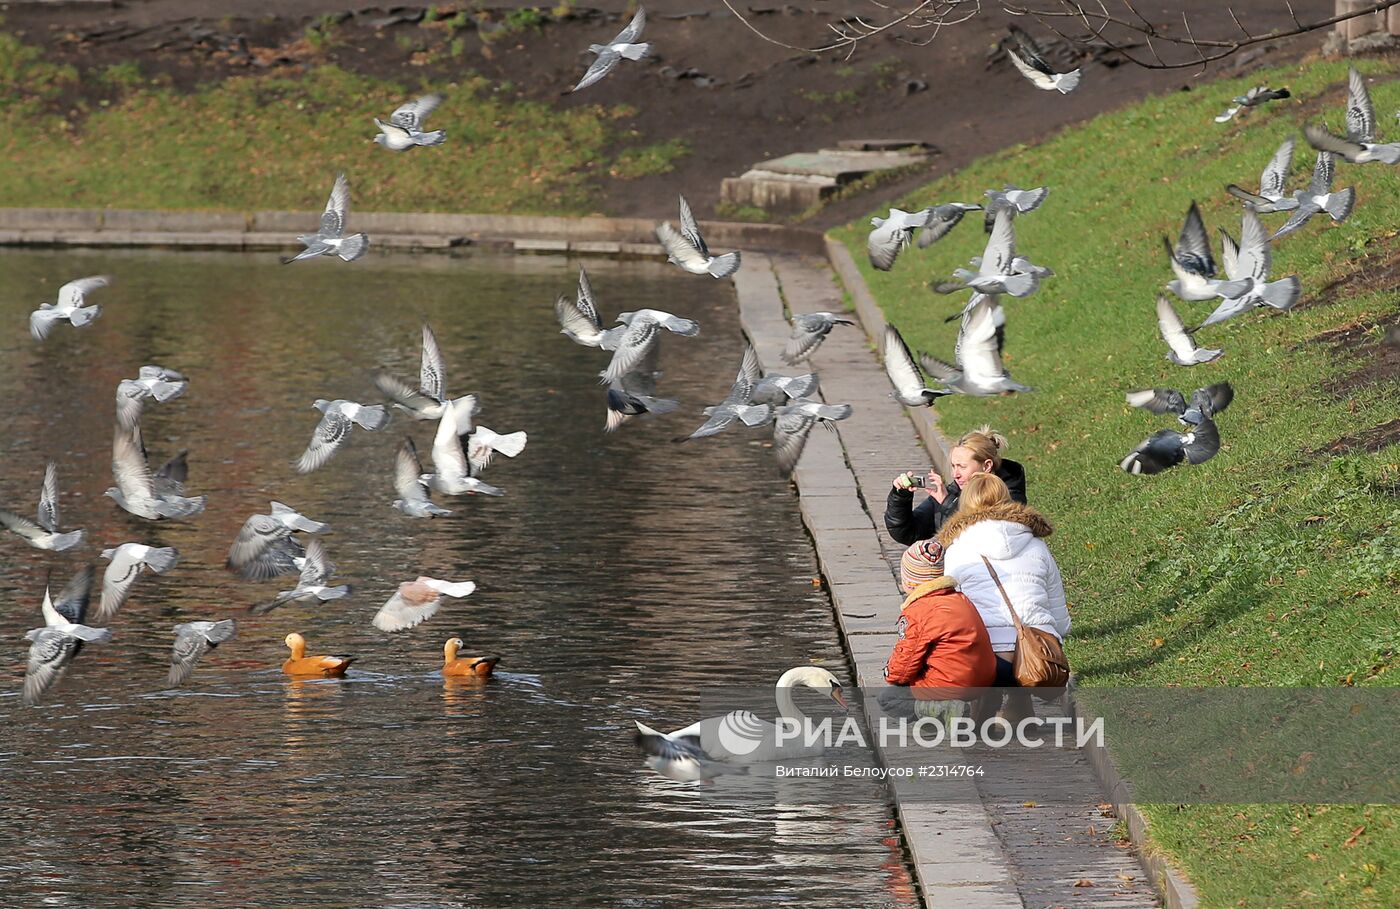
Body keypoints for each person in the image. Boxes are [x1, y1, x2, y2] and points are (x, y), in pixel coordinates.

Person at [937, 473, 1069, 719]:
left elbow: (953, 613)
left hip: (986, 663)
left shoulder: (958, 551)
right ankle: (1019, 702)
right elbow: (1060, 617)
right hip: (1040, 661)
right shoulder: (1037, 546)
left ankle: (984, 695)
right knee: (1024, 637)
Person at [881, 539, 998, 715]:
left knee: (889, 698)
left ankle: (944, 711)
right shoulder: (961, 599)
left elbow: (903, 666)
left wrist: (889, 673)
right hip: (984, 681)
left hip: (951, 685)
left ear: (910, 582)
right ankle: (958, 712)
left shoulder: (919, 612)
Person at [885, 425, 1027, 545]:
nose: (955, 474)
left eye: (962, 467)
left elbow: (984, 539)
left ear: (987, 466)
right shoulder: (953, 492)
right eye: (953, 466)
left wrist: (947, 504)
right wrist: (900, 498)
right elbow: (907, 533)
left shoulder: (1008, 494)